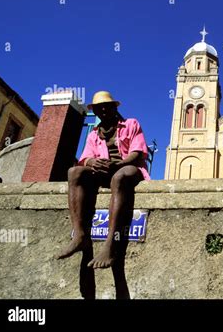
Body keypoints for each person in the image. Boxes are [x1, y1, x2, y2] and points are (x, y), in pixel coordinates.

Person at [57, 91, 150, 298]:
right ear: (96, 111)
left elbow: (138, 152)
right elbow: (85, 158)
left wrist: (119, 163)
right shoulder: (93, 134)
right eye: (99, 108)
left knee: (119, 177)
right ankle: (80, 235)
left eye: (107, 106)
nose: (104, 110)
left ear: (115, 107)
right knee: (74, 172)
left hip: (128, 169)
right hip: (102, 173)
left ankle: (110, 243)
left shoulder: (131, 124)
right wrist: (92, 163)